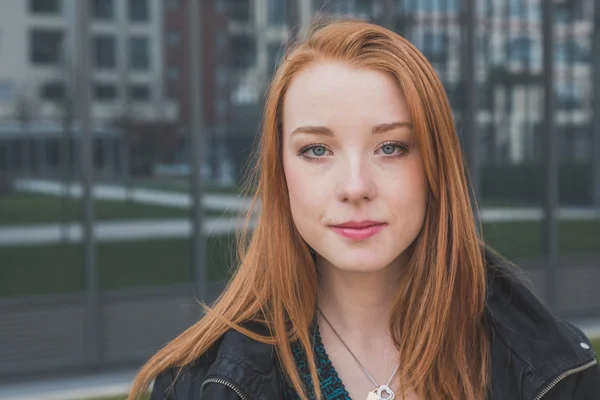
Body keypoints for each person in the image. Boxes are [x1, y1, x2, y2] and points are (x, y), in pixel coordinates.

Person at [128, 19, 599, 400]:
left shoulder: (558, 372)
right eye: (316, 150)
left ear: (436, 164)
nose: (355, 187)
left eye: (391, 147)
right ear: (280, 174)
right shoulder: (197, 386)